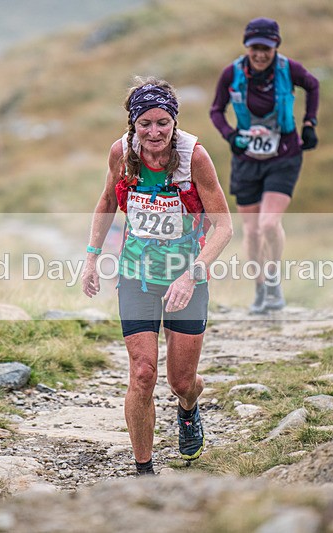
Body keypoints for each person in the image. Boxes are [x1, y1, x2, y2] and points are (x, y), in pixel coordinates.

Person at [82, 77, 233, 476]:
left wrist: (192, 274)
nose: (154, 132)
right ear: (134, 124)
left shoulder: (194, 157)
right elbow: (106, 202)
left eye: (162, 122)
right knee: (143, 372)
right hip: (136, 276)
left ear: (174, 122)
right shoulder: (121, 151)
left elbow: (223, 227)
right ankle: (144, 472)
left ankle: (188, 408)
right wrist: (92, 257)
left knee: (181, 381)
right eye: (145, 123)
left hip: (187, 278)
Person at [210, 17, 319, 314]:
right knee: (252, 231)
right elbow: (216, 110)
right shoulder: (231, 73)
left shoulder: (288, 69)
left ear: (276, 47)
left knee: (268, 223)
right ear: (247, 46)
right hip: (247, 160)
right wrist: (231, 136)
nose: (260, 54)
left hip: (284, 155)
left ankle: (273, 283)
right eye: (255, 47)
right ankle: (259, 289)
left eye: (266, 48)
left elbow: (313, 84)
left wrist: (310, 123)